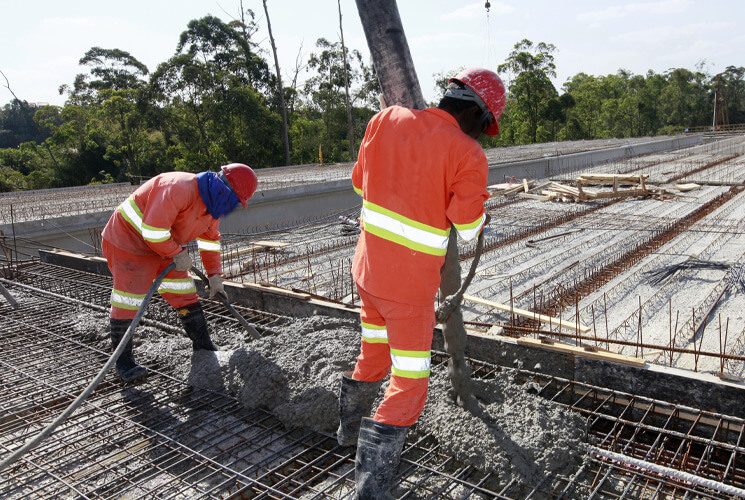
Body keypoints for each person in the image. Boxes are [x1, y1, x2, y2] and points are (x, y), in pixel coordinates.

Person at [337, 68, 506, 498]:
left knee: (373, 355)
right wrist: (481, 209)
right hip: (407, 291)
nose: (483, 136)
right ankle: (371, 488)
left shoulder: (385, 119)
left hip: (366, 273)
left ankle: (347, 434)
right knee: (410, 383)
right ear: (475, 112)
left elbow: (360, 182)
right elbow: (467, 226)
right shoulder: (466, 153)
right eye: (485, 127)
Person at [101, 163, 258, 382]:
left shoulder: (211, 206)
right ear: (224, 189)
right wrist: (178, 253)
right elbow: (152, 231)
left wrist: (215, 276)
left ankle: (204, 348)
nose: (232, 207)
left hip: (165, 247)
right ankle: (124, 363)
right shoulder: (178, 188)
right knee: (129, 300)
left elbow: (210, 241)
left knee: (184, 293)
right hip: (129, 242)